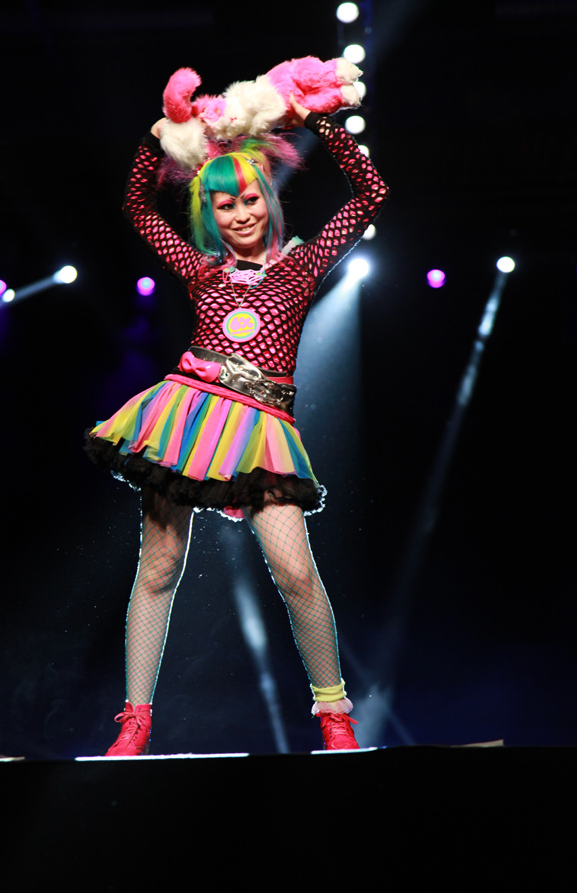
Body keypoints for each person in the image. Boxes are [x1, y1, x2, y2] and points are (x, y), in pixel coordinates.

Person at [85, 81, 389, 755]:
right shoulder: (202, 271)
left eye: (250, 199)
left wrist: (320, 122)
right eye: (225, 205)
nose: (241, 213)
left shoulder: (303, 265)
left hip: (262, 428)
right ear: (211, 214)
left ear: (269, 200)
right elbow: (135, 206)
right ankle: (135, 720)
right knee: (159, 566)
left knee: (296, 574)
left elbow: (371, 194)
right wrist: (157, 142)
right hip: (187, 416)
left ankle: (334, 715)